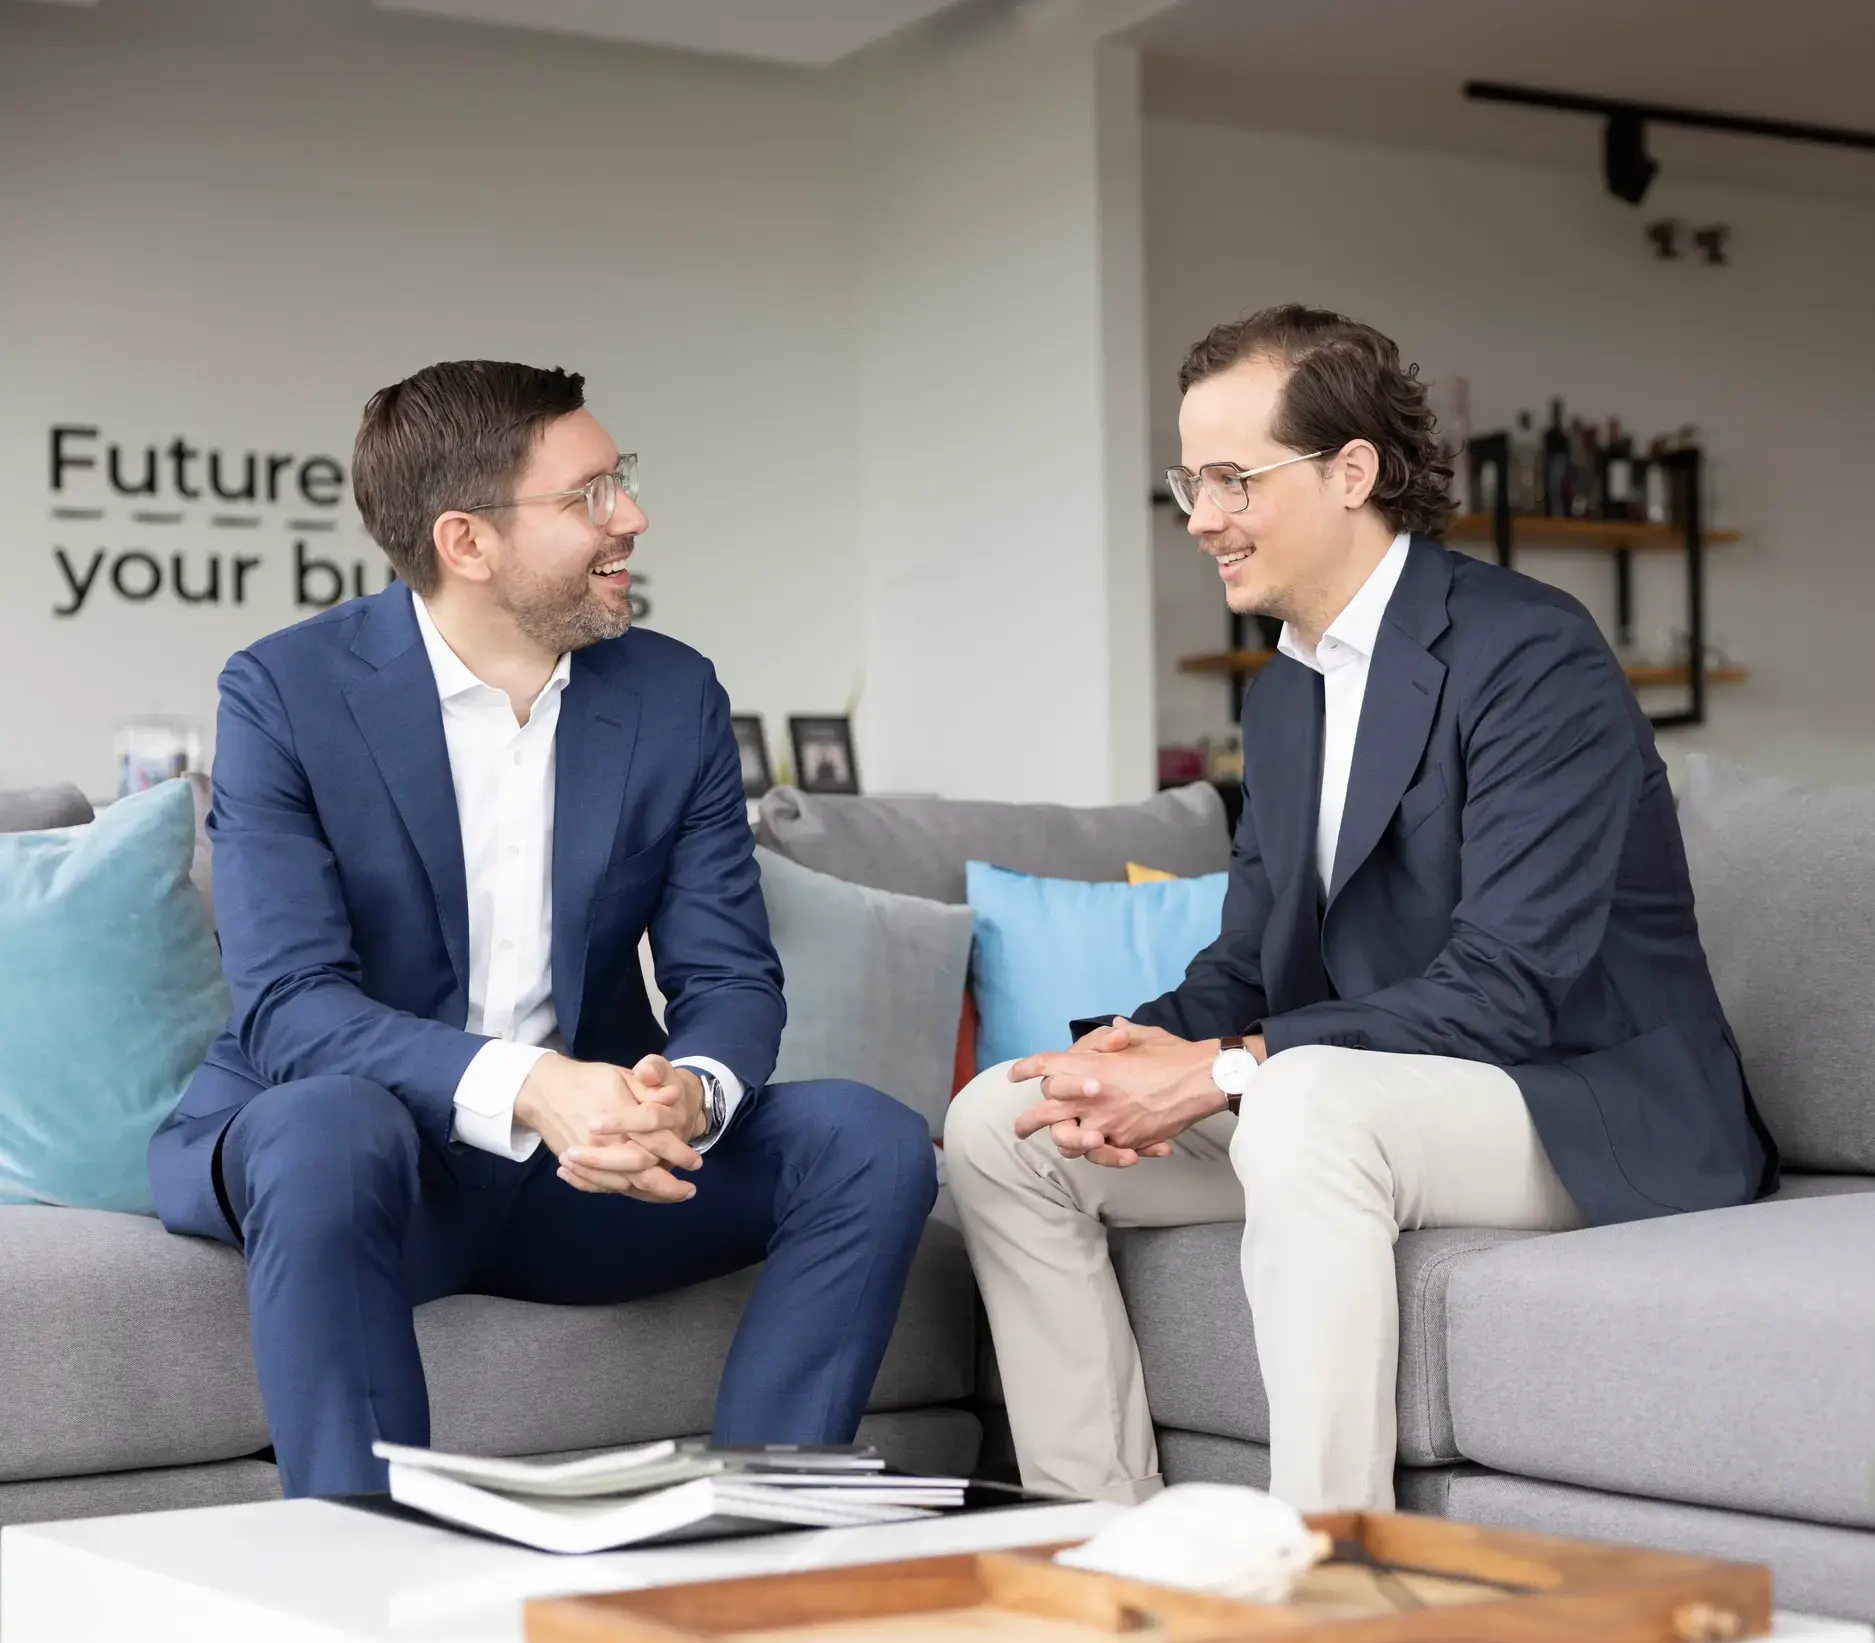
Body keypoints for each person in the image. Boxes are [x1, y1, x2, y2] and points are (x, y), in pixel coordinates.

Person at [944, 305, 1776, 1514]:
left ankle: (1328, 1559)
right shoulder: (1286, 692)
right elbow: (1246, 963)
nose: (1201, 516)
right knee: (1002, 1121)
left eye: (1233, 479)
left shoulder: (1531, 653)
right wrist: (1124, 1053)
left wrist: (1221, 1070)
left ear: (1351, 471)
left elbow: (1505, 991)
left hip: (1578, 1097)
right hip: (1377, 1095)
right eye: (1189, 481)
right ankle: (1097, 1532)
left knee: (1299, 1101)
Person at [149, 361, 937, 1498]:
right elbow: (290, 1008)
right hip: (374, 1169)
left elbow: (728, 975)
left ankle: (766, 1522)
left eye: (622, 480)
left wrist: (688, 1092)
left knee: (869, 1137)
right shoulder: (286, 692)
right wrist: (534, 1085)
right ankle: (357, 1556)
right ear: (466, 541)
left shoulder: (673, 695)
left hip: (590, 1175)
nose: (632, 517)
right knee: (327, 1125)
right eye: (589, 496)